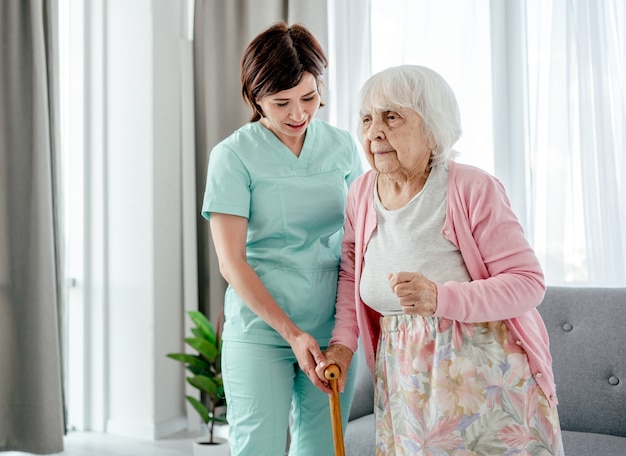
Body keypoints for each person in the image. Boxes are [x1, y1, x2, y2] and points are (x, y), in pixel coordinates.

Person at [316, 65, 564, 455]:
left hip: (484, 380)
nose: (373, 131)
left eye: (391, 116)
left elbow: (528, 282)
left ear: (432, 130)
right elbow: (351, 274)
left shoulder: (471, 187)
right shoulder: (361, 193)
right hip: (402, 380)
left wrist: (440, 297)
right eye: (366, 119)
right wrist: (343, 344)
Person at [201, 22, 362, 456]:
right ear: (255, 98)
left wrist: (347, 333)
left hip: (332, 329)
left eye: (309, 98)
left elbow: (360, 241)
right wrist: (291, 332)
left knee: (323, 449)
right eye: (281, 102)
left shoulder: (344, 146)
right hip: (261, 328)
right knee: (258, 449)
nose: (298, 114)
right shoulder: (232, 157)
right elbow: (231, 262)